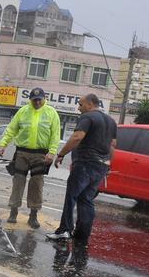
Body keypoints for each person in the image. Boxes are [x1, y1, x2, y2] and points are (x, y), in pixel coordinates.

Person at [47, 93, 117, 246]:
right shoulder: (111, 121)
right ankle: (82, 235)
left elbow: (77, 137)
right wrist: (108, 165)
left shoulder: (88, 117)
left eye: (81, 104)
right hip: (101, 166)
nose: (79, 108)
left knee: (71, 197)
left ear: (91, 104)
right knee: (86, 199)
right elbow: (112, 145)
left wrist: (61, 154)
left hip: (85, 163)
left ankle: (64, 230)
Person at [0, 87, 61, 228]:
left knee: (36, 184)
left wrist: (52, 152)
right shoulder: (23, 111)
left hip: (41, 155)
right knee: (18, 182)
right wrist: (3, 144)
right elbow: (11, 129)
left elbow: (55, 135)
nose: (37, 102)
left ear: (44, 98)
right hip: (22, 153)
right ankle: (13, 212)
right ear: (30, 100)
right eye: (34, 100)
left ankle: (33, 216)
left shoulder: (52, 113)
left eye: (39, 100)